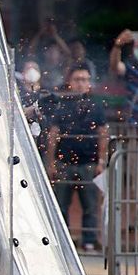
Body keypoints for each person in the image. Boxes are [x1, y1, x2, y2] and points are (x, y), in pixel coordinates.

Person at [45, 64, 109, 251]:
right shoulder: (61, 105)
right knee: (61, 205)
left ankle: (89, 239)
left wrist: (101, 161)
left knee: (90, 205)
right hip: (64, 162)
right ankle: (62, 240)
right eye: (78, 79)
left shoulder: (96, 106)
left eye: (85, 79)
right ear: (70, 82)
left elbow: (103, 133)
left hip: (88, 163)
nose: (82, 83)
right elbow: (53, 135)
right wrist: (51, 163)